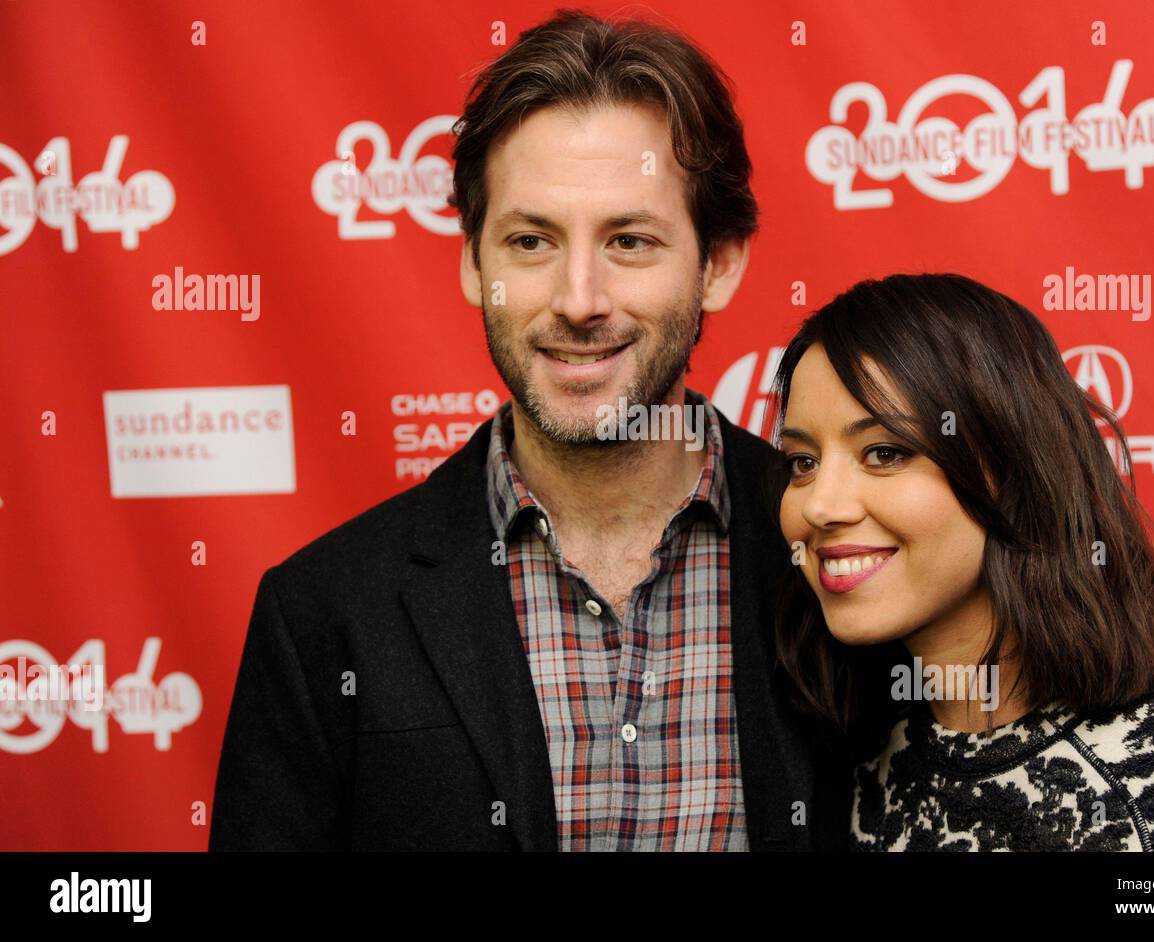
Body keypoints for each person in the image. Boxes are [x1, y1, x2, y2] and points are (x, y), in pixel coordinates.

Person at [210, 9, 846, 851]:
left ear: (719, 263)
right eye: (531, 240)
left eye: (628, 240)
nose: (578, 299)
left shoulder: (840, 554)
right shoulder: (325, 612)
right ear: (475, 262)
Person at [768, 272, 1154, 851]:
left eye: (886, 452)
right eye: (802, 462)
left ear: (1013, 469)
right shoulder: (833, 774)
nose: (818, 505)